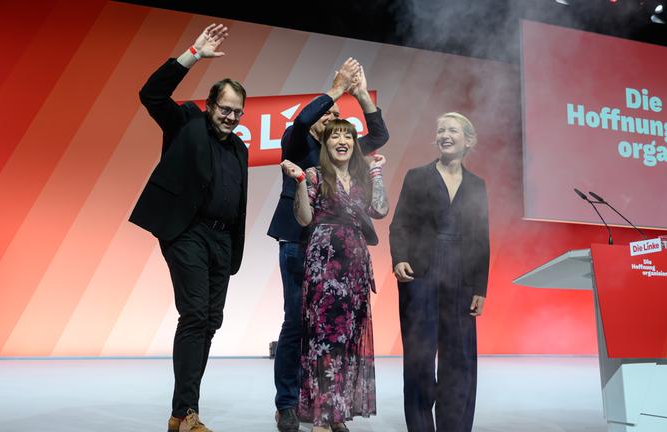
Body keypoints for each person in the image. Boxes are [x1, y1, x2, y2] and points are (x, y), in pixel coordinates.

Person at [129, 24, 248, 432]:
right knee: (195, 314)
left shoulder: (240, 147)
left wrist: (232, 246)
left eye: (237, 112)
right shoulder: (186, 122)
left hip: (222, 240)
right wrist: (193, 54)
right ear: (211, 105)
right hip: (188, 232)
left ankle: (182, 413)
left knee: (210, 322)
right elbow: (151, 94)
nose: (231, 117)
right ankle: (185, 412)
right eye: (225, 108)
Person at [267, 59, 389, 432]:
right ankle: (288, 404)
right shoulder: (297, 142)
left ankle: (329, 406)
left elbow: (379, 135)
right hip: (299, 244)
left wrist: (361, 94)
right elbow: (302, 120)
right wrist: (336, 88)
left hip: (341, 254)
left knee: (337, 329)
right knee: (296, 323)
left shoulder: (342, 151)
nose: (333, 120)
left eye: (338, 117)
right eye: (327, 113)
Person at [389, 112, 490, 432]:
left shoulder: (477, 185)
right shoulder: (417, 176)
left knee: (459, 360)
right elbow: (400, 224)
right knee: (419, 359)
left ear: (468, 140)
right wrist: (399, 258)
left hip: (461, 279)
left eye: (452, 130)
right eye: (441, 130)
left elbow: (481, 239)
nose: (445, 135)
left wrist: (480, 288)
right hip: (421, 275)